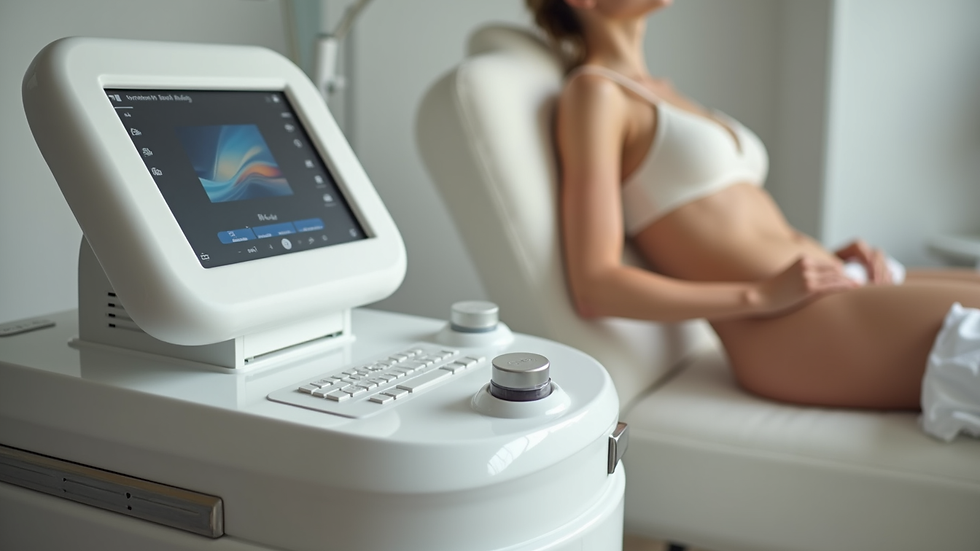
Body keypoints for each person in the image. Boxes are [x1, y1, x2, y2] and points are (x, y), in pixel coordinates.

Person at [526, 0, 980, 411]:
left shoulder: (664, 91)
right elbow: (596, 285)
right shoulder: (595, 94)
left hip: (826, 288)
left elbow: (733, 224)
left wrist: (826, 257)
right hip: (786, 327)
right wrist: (759, 295)